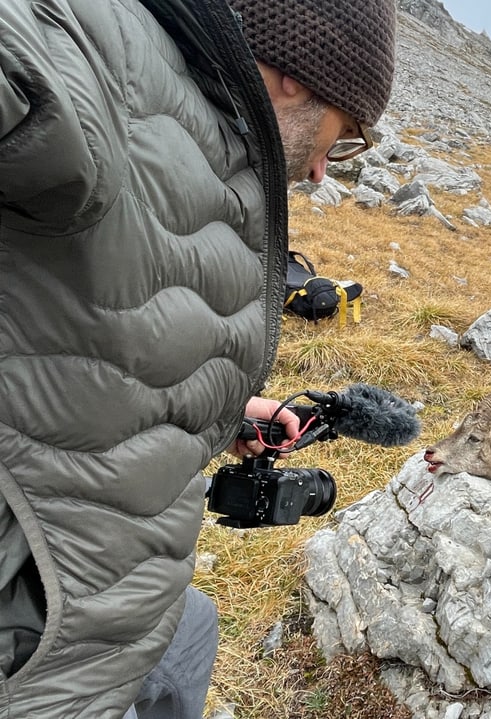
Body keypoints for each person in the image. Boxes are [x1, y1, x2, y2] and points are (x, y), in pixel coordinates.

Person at [0, 0, 395, 717]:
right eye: (343, 139)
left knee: (192, 632)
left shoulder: (210, 142)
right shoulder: (109, 66)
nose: (318, 173)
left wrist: (221, 412)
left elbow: (101, 325)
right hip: (42, 635)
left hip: (114, 603)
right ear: (296, 79)